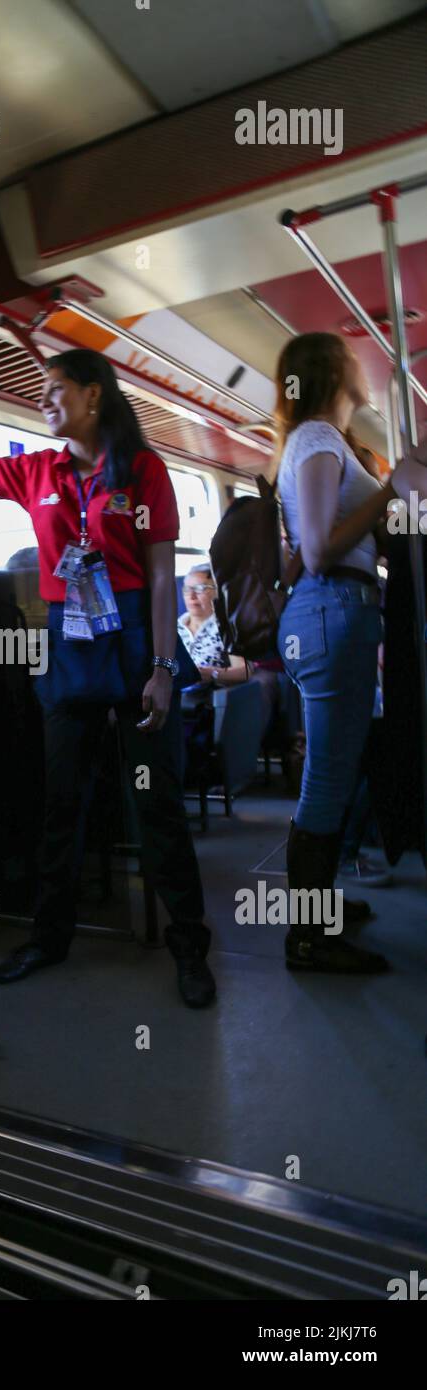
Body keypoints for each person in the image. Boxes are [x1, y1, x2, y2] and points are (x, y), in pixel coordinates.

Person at [0, 346, 215, 1008]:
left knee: (158, 806)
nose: (44, 400)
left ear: (95, 396)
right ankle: (49, 937)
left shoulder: (143, 472)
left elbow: (157, 576)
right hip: (70, 642)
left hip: (133, 642)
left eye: (56, 389)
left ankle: (189, 947)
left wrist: (159, 668)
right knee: (61, 802)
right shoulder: (37, 470)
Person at [274, 330, 427, 972]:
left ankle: (322, 906)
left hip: (340, 611)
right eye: (348, 354)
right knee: (329, 778)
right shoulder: (315, 438)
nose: (360, 362)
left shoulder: (329, 443)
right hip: (331, 607)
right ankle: (307, 937)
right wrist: (391, 492)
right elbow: (316, 548)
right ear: (332, 373)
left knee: (342, 766)